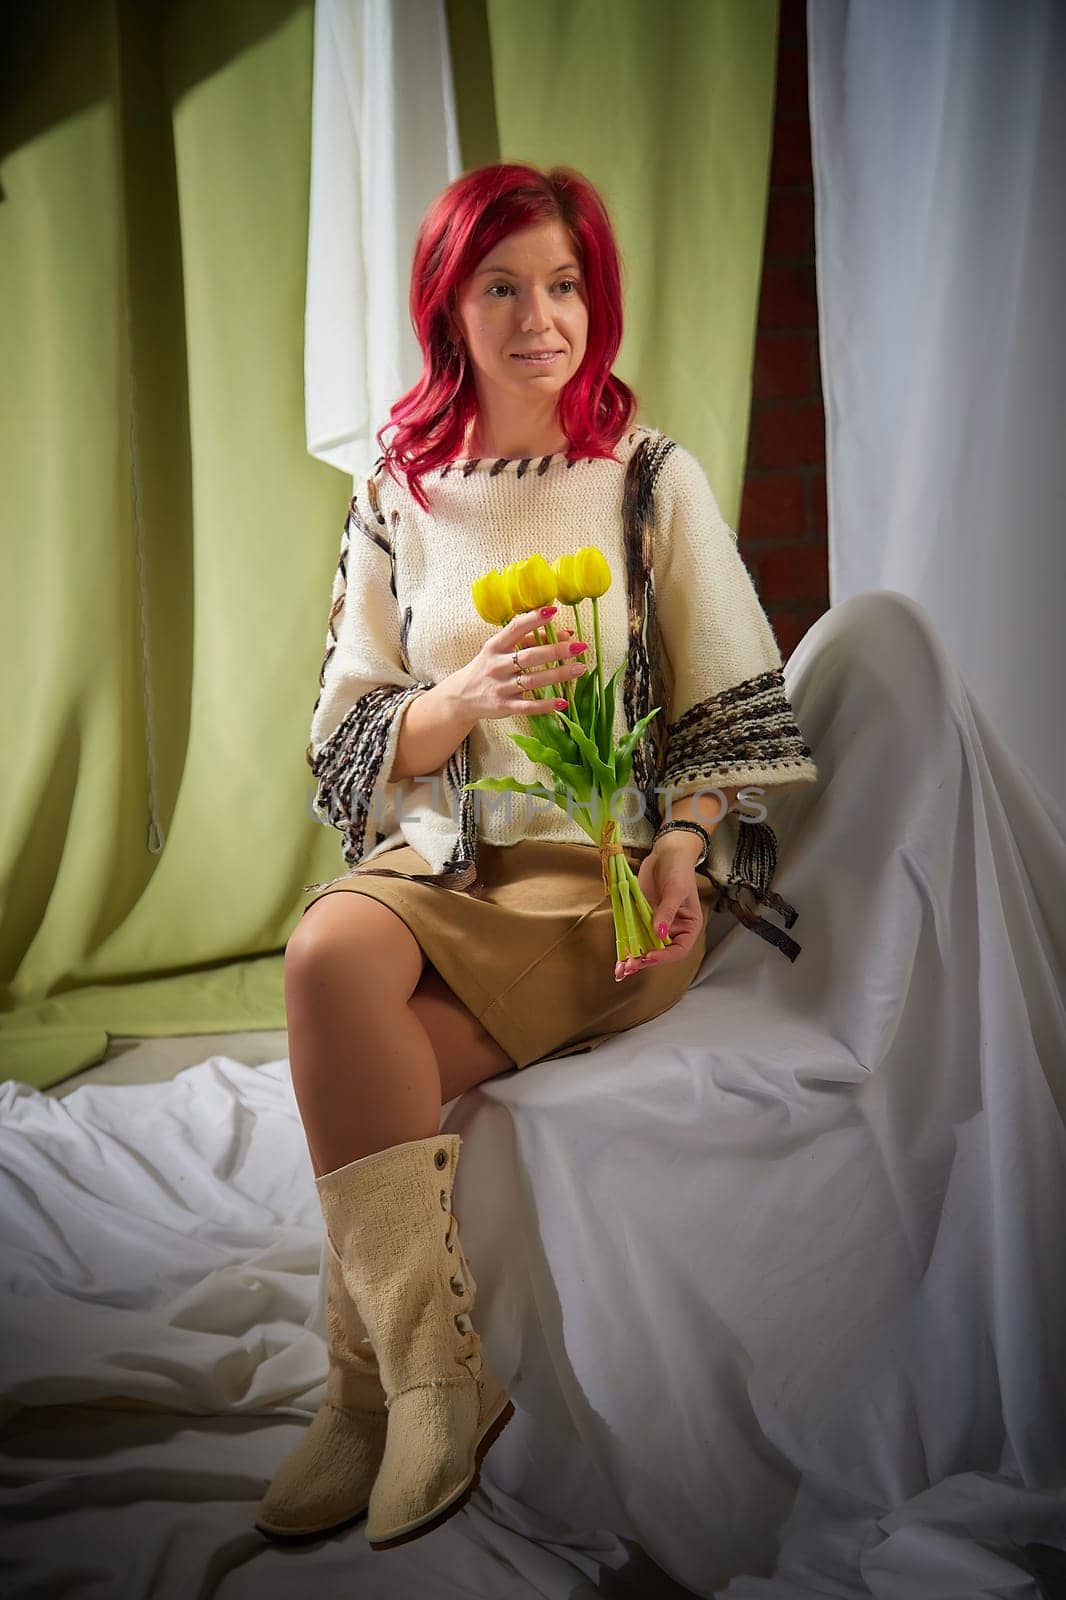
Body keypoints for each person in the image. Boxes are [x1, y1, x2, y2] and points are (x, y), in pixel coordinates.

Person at [255, 162, 819, 1551]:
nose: (537, 316)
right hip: (446, 860)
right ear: (448, 304)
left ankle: (360, 1387)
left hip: (608, 890)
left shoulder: (645, 482)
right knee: (329, 947)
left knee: (375, 1069)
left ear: (594, 299)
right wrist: (447, 711)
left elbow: (733, 719)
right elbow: (340, 731)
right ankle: (430, 1381)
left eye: (561, 284)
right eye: (499, 285)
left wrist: (686, 846)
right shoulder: (400, 489)